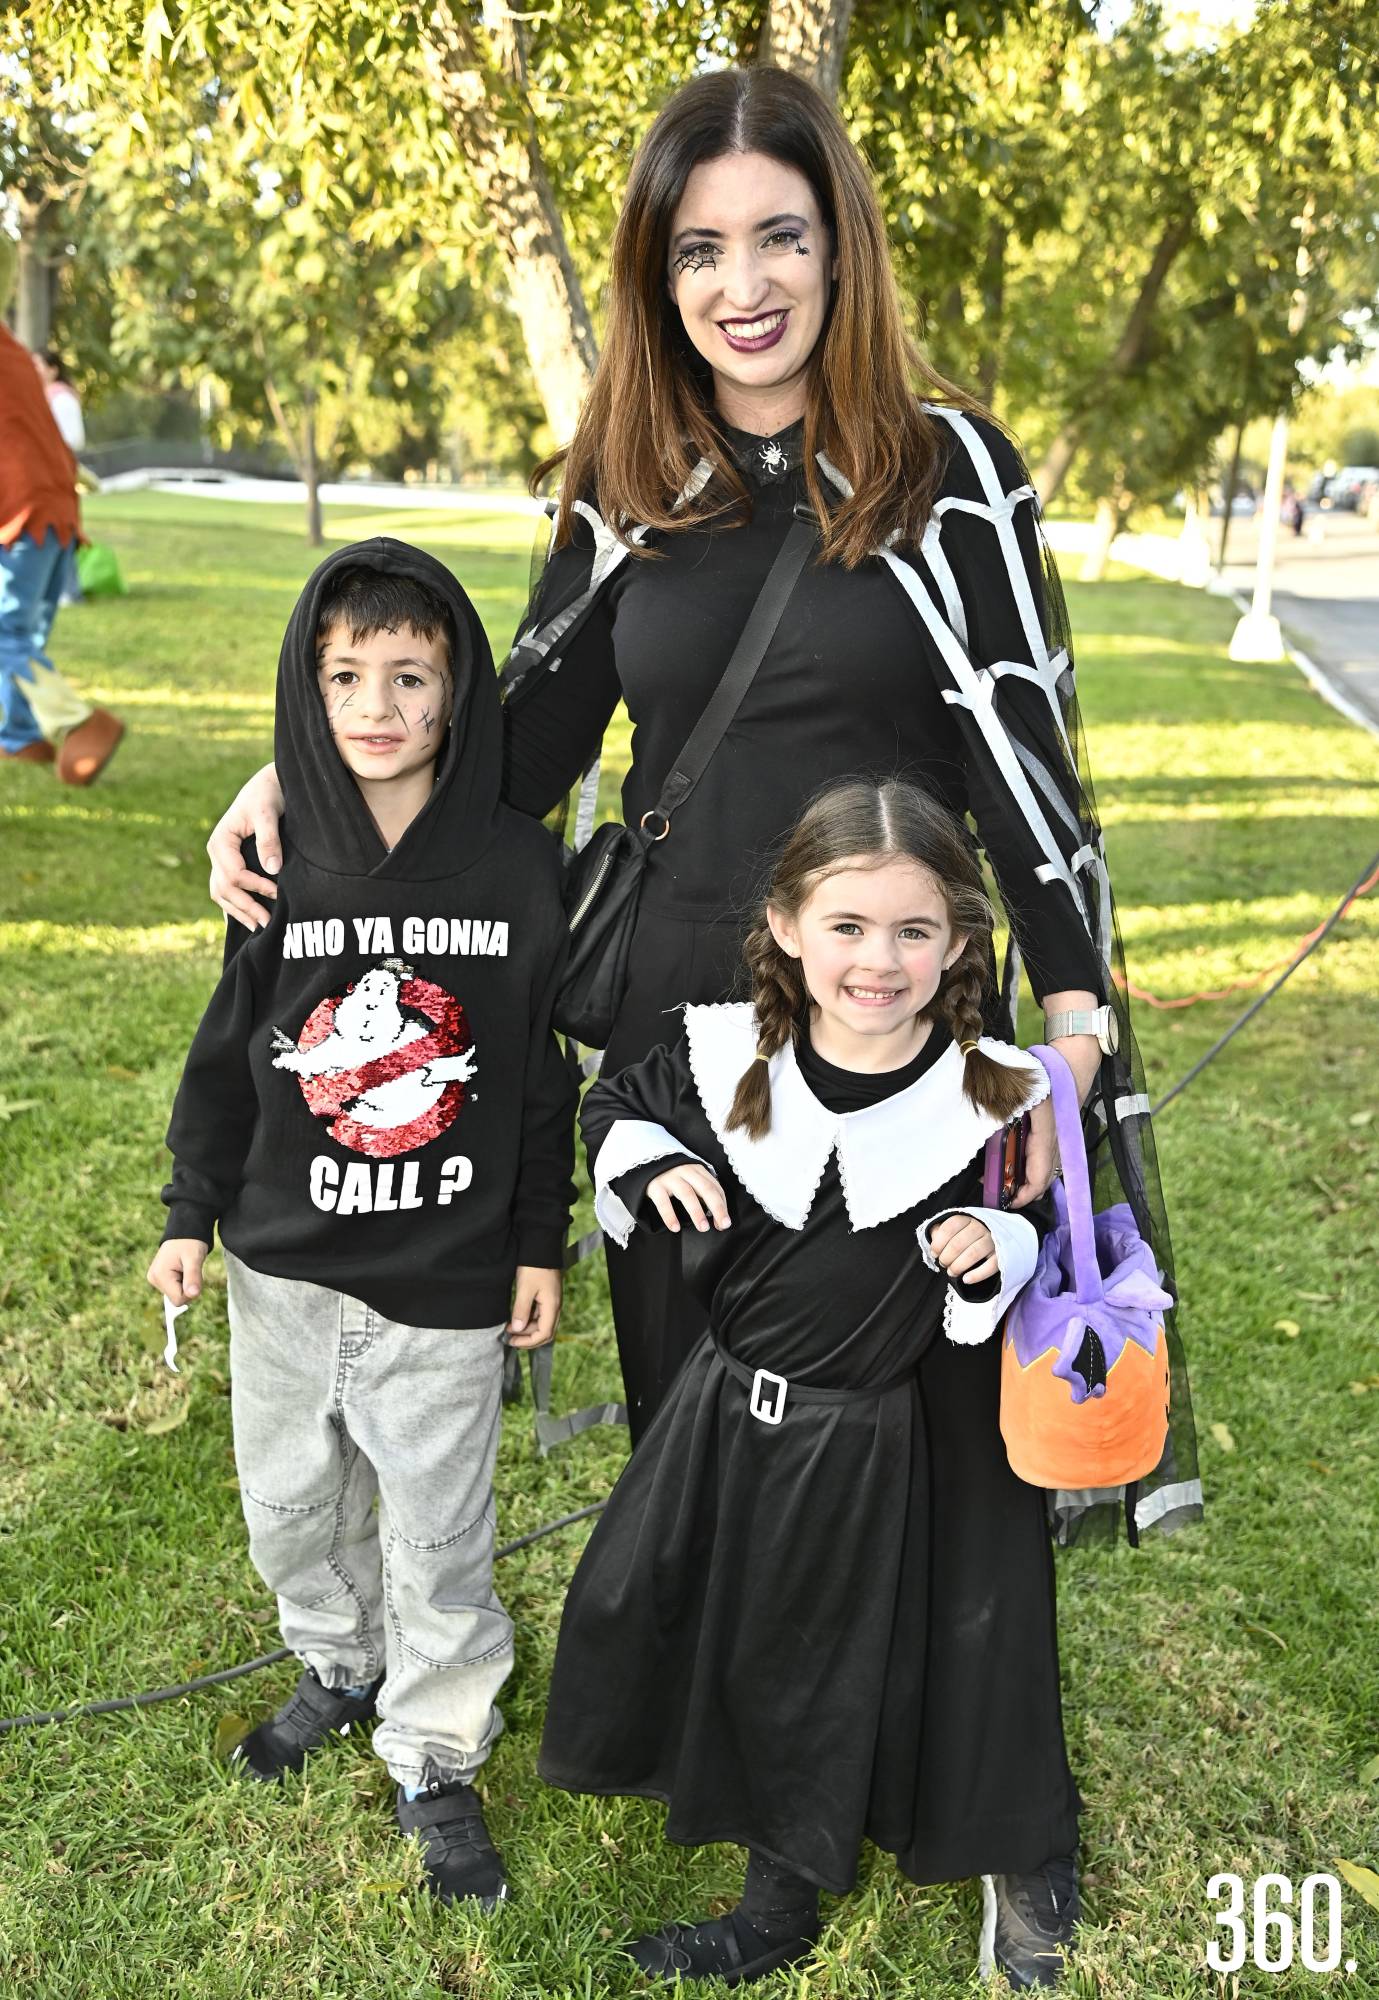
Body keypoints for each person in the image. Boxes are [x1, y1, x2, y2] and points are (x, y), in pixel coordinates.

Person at [541, 777, 1080, 1989]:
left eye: (911, 930)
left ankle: (821, 1889)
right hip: (732, 1426)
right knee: (707, 1626)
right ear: (785, 921)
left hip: (891, 1447)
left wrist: (1004, 1249)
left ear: (954, 942)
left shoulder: (994, 1095)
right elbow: (615, 1106)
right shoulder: (719, 1049)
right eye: (845, 925)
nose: (876, 961)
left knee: (859, 1660)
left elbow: (1051, 1244)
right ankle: (759, 1856)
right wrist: (646, 1157)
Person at [147, 540, 577, 1907]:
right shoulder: (278, 860)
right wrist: (185, 1215)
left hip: (445, 1283)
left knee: (440, 1532)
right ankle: (336, 1660)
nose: (376, 705)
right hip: (282, 1272)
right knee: (289, 1506)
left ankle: (435, 1747)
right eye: (344, 676)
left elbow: (531, 1079)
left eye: (409, 675)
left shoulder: (518, 867)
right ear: (306, 688)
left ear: (457, 693)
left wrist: (533, 1245)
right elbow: (230, 1058)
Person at [0, 240, 123, 782]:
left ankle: (78, 722)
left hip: (22, 510)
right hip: (54, 508)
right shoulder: (12, 351)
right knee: (25, 633)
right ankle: (22, 738)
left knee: (6, 634)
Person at [34, 350, 85, 452]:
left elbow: (72, 439)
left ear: (53, 370)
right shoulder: (41, 398)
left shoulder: (62, 398)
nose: (33, 369)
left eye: (37, 365)